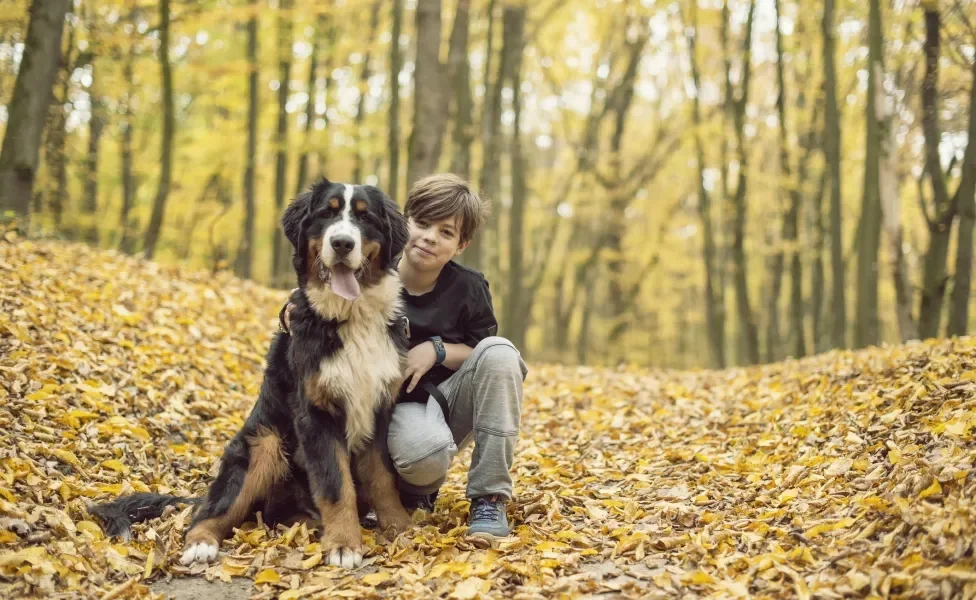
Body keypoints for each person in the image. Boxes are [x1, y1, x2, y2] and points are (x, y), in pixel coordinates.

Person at [282, 173, 527, 540]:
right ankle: (414, 492)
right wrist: (289, 308)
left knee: (502, 353)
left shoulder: (469, 287)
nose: (430, 237)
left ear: (462, 245)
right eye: (423, 223)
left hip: (446, 403)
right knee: (421, 456)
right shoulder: (370, 268)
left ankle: (489, 497)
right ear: (404, 223)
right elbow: (322, 293)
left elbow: (482, 352)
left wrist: (437, 350)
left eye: (446, 232)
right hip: (395, 414)